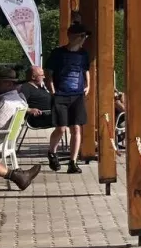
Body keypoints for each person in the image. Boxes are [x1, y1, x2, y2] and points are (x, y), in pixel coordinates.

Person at [46, 23, 91, 173]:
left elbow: (86, 70)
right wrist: (52, 90)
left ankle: (73, 162)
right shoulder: (58, 53)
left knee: (76, 128)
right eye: (82, 36)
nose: (85, 39)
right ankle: (52, 152)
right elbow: (49, 73)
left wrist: (88, 85)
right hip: (60, 94)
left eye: (85, 36)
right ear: (72, 37)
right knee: (61, 128)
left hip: (77, 95)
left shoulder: (83, 54)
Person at [19, 65, 54, 130]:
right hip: (37, 118)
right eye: (42, 75)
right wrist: (29, 110)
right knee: (66, 120)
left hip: (49, 115)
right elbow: (19, 104)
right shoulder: (25, 88)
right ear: (33, 77)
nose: (44, 77)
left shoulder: (41, 87)